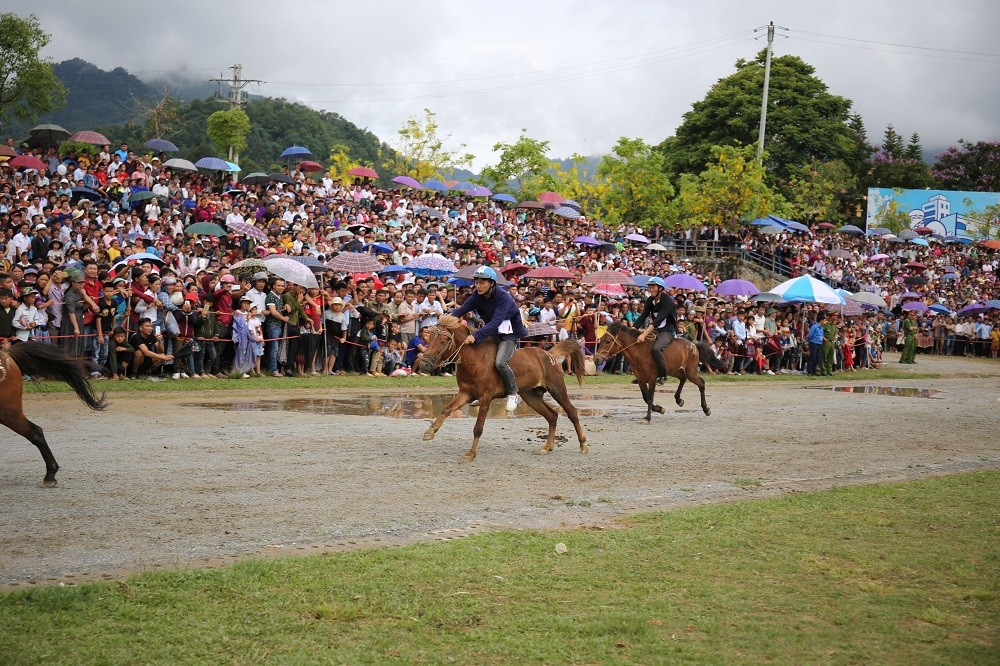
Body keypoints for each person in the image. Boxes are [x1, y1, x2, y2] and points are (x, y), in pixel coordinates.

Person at [449, 266, 527, 411]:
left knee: (500, 363)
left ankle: (513, 393)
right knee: (482, 361)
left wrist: (475, 335)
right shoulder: (476, 296)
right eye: (476, 282)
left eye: (482, 282)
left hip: (509, 335)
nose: (478, 286)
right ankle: (484, 393)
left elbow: (496, 322)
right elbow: (460, 311)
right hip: (492, 332)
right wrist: (442, 321)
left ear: (492, 283)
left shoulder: (503, 297)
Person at [634, 276, 677, 383]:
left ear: (660, 288)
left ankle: (663, 374)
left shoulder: (668, 302)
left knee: (656, 348)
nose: (650, 289)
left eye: (653, 286)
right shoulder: (649, 300)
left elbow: (658, 320)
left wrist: (643, 335)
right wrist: (632, 329)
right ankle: (643, 374)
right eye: (649, 287)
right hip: (656, 329)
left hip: (667, 331)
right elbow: (642, 316)